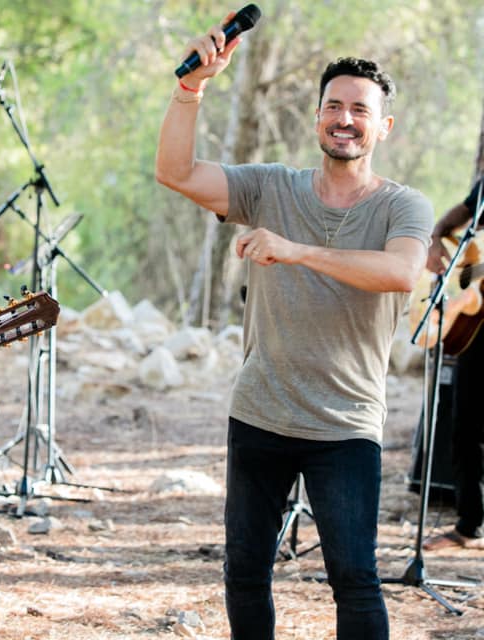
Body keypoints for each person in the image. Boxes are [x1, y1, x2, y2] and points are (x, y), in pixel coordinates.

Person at [155, 12, 433, 640]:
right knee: (245, 573)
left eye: (360, 110)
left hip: (346, 425)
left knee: (354, 579)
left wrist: (297, 251)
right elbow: (175, 172)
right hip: (261, 413)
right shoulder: (271, 188)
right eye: (333, 106)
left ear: (383, 127)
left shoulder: (403, 205)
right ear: (316, 118)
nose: (344, 119)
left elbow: (400, 273)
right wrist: (190, 88)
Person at [421, 176, 484, 551]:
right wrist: (435, 238)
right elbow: (453, 221)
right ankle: (470, 525)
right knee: (465, 428)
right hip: (477, 330)